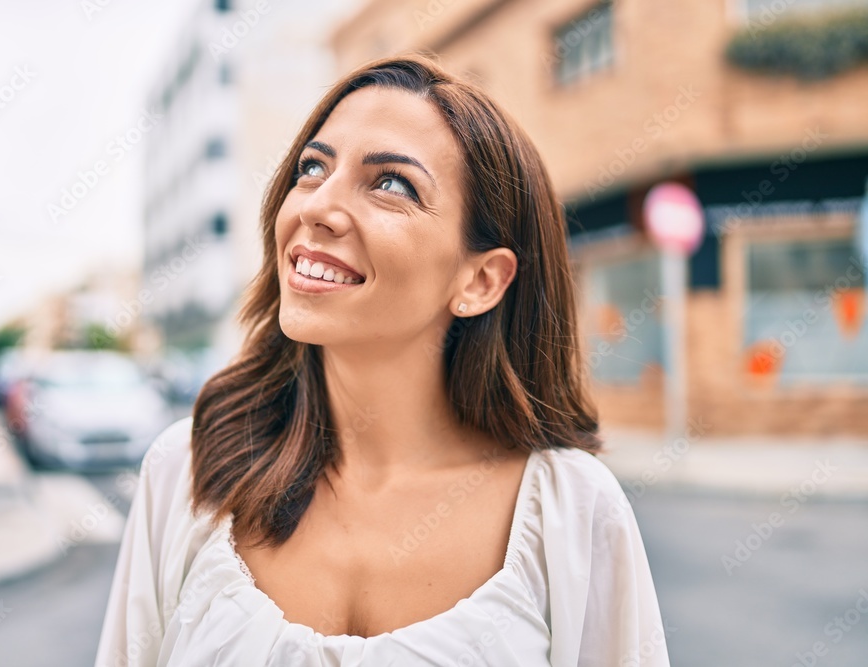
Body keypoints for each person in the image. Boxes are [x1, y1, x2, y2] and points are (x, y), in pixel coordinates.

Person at [96, 55, 670, 667]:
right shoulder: (187, 473)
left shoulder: (573, 511)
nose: (315, 207)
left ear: (480, 280)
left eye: (391, 183)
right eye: (312, 168)